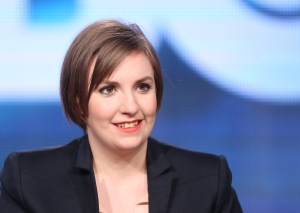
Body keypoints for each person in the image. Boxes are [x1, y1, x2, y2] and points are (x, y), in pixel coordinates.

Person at [0, 19, 242, 213]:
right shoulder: (29, 180)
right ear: (79, 102)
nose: (130, 105)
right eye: (109, 89)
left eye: (142, 87)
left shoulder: (207, 180)